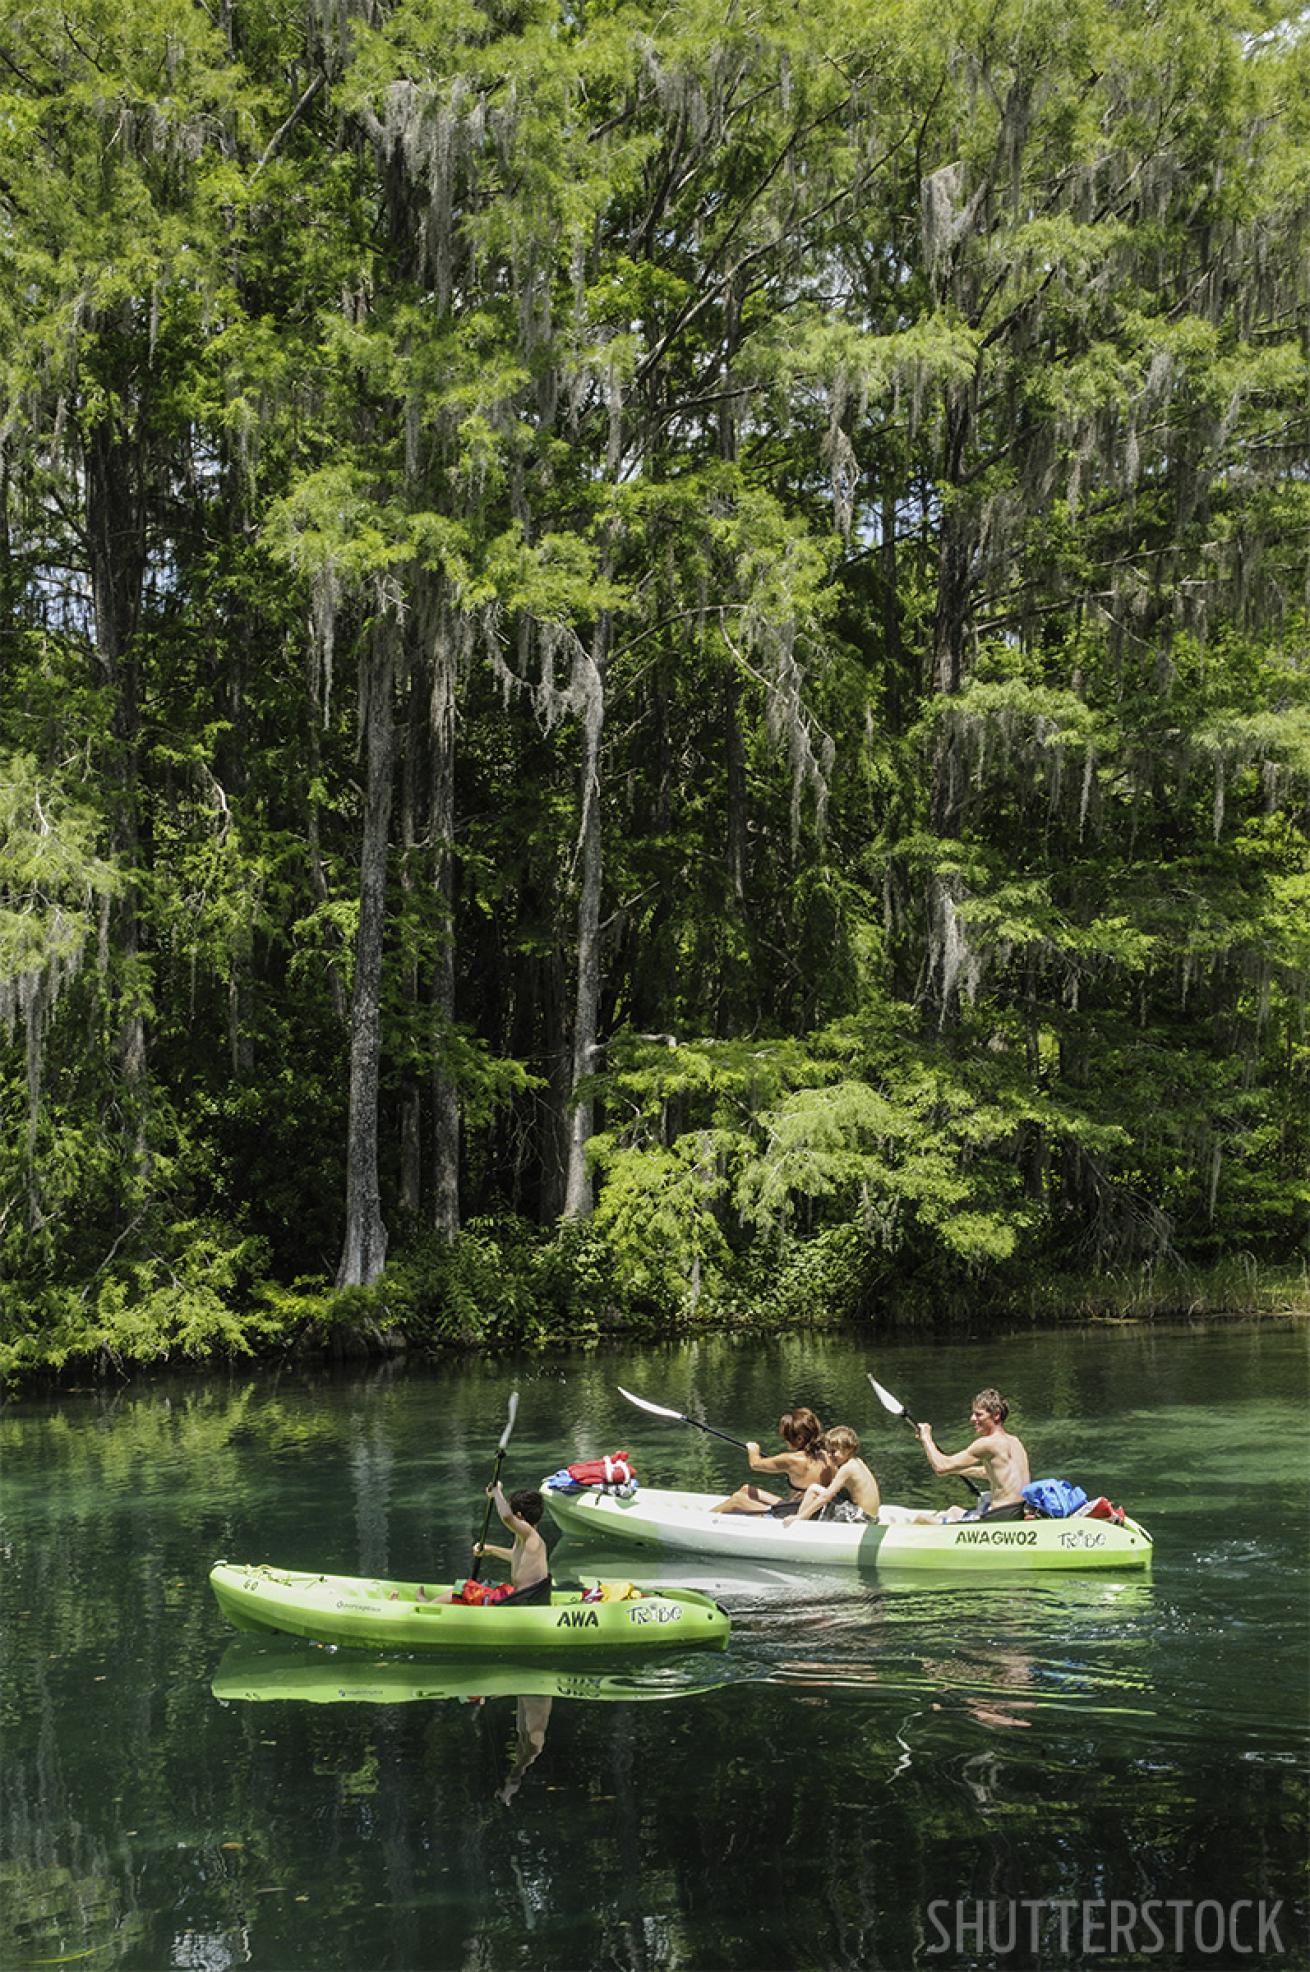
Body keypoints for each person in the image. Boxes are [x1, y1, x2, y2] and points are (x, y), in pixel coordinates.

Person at [915, 1388, 1031, 1521]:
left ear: (996, 1415)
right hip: (1019, 1511)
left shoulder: (987, 1443)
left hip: (1000, 1516)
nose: (972, 1419)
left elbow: (941, 1467)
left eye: (978, 1415)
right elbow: (992, 1473)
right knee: (954, 1510)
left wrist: (926, 1438)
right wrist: (961, 1470)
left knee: (921, 1519)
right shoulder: (1015, 1442)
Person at [431, 1482, 554, 1603]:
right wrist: (490, 1549)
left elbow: (506, 1517)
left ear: (519, 1516)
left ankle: (427, 1606)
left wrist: (497, 1492)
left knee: (463, 1587)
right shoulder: (529, 1539)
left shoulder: (528, 1532)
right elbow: (516, 1557)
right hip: (524, 1597)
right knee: (485, 1584)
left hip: (522, 1601)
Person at [710, 1407, 833, 1515]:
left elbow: (755, 1464)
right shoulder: (827, 1456)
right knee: (746, 1489)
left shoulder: (791, 1459)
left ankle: (704, 1518)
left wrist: (753, 1449)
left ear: (800, 1439)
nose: (785, 1441)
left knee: (737, 1499)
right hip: (805, 1508)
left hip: (796, 1513)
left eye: (787, 1437)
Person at [784, 1426, 881, 1526]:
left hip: (861, 1519)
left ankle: (799, 1523)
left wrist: (802, 1515)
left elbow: (826, 1496)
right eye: (828, 1451)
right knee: (822, 1493)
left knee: (813, 1489)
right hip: (872, 1518)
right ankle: (804, 1519)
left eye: (833, 1452)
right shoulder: (858, 1462)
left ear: (848, 1449)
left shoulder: (847, 1468)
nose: (830, 1455)